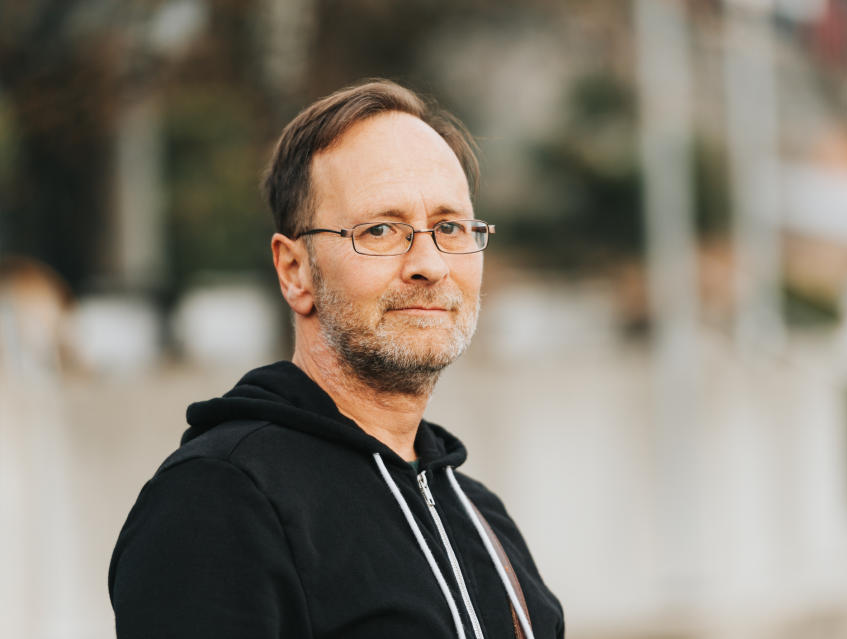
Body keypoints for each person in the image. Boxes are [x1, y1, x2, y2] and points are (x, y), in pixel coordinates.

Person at [108, 79, 564, 639]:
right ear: (295, 271)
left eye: (449, 227)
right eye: (380, 230)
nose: (430, 263)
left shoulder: (479, 516)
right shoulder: (219, 501)